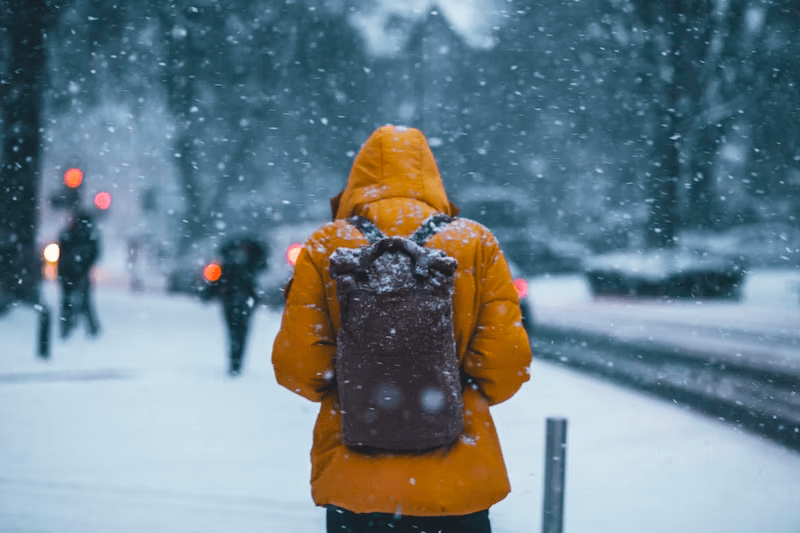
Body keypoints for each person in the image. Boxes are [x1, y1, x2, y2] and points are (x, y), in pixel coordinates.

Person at [272, 125, 532, 533]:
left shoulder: (326, 246)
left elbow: (298, 366)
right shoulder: (475, 243)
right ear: (431, 177)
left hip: (355, 487)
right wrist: (448, 394)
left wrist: (359, 389)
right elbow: (506, 363)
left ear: (357, 179)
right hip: (458, 486)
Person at [205, 236, 267, 376]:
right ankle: (236, 361)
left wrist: (210, 294)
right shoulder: (250, 262)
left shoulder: (228, 262)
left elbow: (216, 281)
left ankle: (235, 361)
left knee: (234, 331)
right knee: (240, 331)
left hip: (231, 300)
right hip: (242, 300)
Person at [58, 210, 101, 339]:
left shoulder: (69, 233)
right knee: (84, 301)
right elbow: (95, 254)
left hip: (68, 272)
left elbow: (62, 249)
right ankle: (91, 329)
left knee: (68, 301)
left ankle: (67, 327)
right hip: (78, 272)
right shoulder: (89, 235)